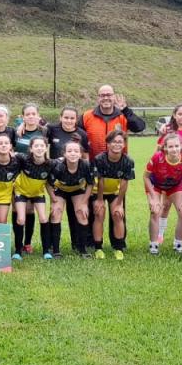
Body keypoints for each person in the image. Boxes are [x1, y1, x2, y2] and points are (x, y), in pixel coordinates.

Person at [146, 133, 182, 255]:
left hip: (175, 186)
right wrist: (153, 198)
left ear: (181, 145)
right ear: (165, 148)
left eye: (177, 146)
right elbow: (145, 177)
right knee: (155, 210)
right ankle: (154, 244)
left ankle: (178, 243)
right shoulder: (157, 157)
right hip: (155, 185)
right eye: (171, 147)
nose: (174, 149)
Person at [92, 130, 135, 259]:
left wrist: (119, 203)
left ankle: (119, 248)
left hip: (114, 192)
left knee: (117, 214)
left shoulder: (128, 161)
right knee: (99, 214)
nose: (117, 144)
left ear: (124, 144)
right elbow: (100, 180)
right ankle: (98, 248)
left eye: (120, 142)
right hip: (98, 191)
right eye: (114, 142)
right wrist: (99, 200)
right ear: (108, 144)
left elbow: (124, 184)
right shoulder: (99, 159)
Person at [50, 140, 95, 257]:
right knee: (56, 212)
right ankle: (55, 250)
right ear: (64, 154)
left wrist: (84, 203)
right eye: (69, 151)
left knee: (82, 213)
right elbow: (48, 183)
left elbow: (90, 184)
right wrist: (54, 199)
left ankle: (83, 249)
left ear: (80, 154)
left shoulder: (85, 165)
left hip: (77, 189)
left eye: (76, 151)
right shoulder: (58, 166)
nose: (73, 153)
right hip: (61, 189)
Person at [14, 136, 54, 259]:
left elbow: (48, 182)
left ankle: (46, 251)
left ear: (46, 148)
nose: (39, 148)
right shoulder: (23, 159)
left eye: (42, 146)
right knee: (21, 219)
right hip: (21, 192)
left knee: (43, 219)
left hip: (38, 194)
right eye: (36, 146)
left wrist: (53, 198)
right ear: (31, 149)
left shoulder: (50, 164)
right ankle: (18, 251)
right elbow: (9, 153)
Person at [82, 84, 145, 159]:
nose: (105, 98)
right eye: (102, 95)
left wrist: (126, 110)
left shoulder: (123, 116)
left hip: (119, 164)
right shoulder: (86, 116)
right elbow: (76, 136)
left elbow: (140, 127)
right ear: (98, 98)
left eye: (109, 95)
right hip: (94, 165)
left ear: (114, 97)